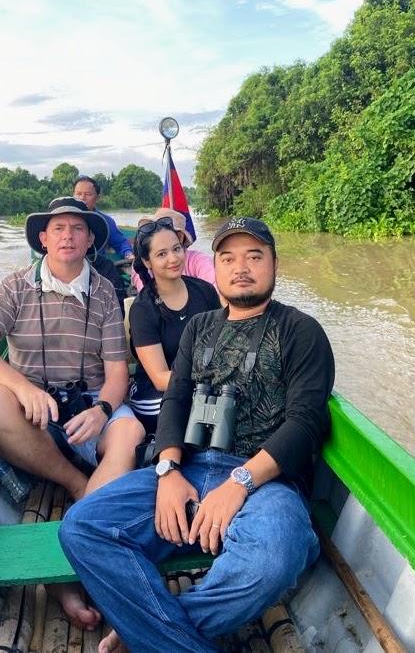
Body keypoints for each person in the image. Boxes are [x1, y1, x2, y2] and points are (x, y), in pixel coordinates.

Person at [59, 216, 335, 652]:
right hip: (189, 467)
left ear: (275, 265)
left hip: (266, 480)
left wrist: (239, 483)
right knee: (82, 527)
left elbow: (304, 422)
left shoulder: (300, 331)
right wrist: (168, 469)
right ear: (217, 268)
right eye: (228, 258)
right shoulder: (200, 327)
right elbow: (176, 400)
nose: (240, 266)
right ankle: (164, 635)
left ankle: (147, 631)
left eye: (254, 256)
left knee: (273, 558)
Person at [0, 196, 144, 630]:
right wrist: (22, 386)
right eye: (58, 228)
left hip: (89, 407)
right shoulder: (15, 286)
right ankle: (78, 484)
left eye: (78, 229)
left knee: (129, 430)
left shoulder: (105, 292)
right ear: (43, 239)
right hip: (36, 414)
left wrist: (101, 410)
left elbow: (118, 374)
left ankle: (66, 564)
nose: (67, 236)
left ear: (90, 239)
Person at [128, 216, 220, 435]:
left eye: (176, 249)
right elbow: (160, 378)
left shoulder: (204, 291)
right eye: (162, 254)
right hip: (155, 392)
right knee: (195, 414)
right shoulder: (143, 309)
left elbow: (223, 342)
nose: (173, 259)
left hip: (203, 384)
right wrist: (210, 379)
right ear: (147, 262)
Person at [130, 208, 216, 293]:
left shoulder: (199, 260)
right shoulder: (143, 262)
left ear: (180, 236)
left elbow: (216, 289)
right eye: (162, 254)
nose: (173, 260)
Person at [73, 175, 134, 260]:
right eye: (78, 194)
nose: (82, 198)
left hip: (95, 265)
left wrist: (128, 254)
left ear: (98, 198)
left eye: (88, 194)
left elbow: (119, 242)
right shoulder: (63, 218)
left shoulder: (105, 221)